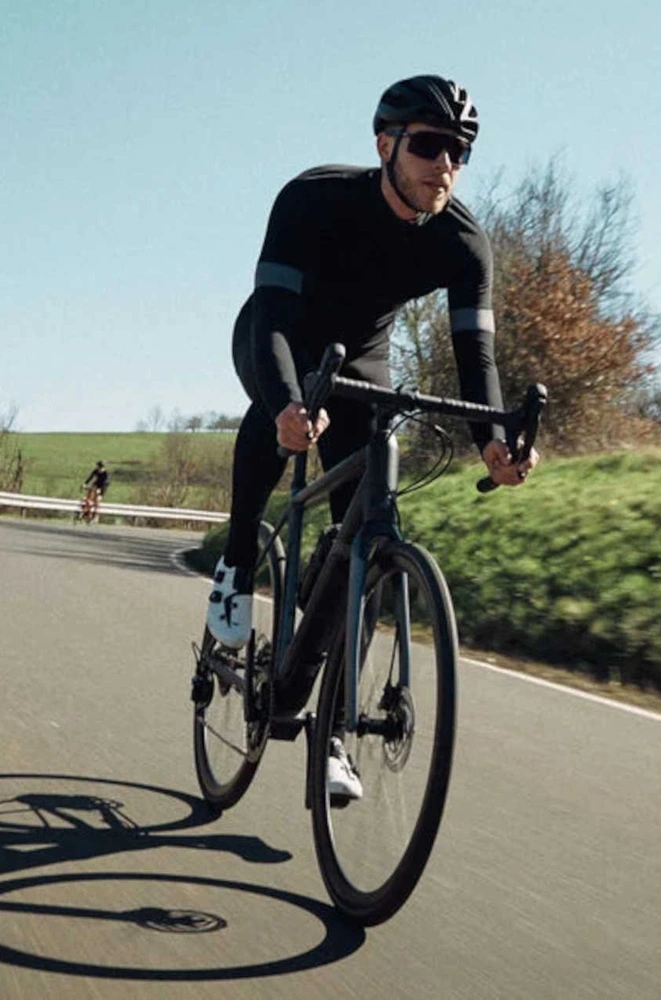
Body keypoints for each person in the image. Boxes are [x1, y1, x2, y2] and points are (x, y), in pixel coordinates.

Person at [205, 75, 540, 798]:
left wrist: (493, 440)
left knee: (362, 539)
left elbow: (474, 360)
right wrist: (289, 404)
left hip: (362, 357)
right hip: (282, 334)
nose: (444, 164)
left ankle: (331, 737)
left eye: (459, 151)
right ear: (385, 144)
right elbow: (270, 316)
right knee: (278, 420)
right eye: (428, 145)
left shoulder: (463, 243)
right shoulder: (313, 198)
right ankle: (235, 565)